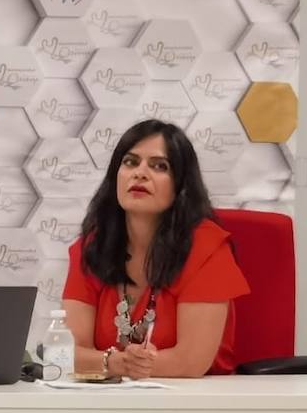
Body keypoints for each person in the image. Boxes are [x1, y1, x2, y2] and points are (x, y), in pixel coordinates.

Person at [62, 119, 249, 378]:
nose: (140, 173)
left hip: (197, 404)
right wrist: (117, 363)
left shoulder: (207, 249)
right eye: (130, 162)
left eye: (159, 166)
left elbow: (190, 362)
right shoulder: (93, 248)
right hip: (110, 403)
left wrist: (107, 363)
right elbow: (66, 353)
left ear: (180, 185)